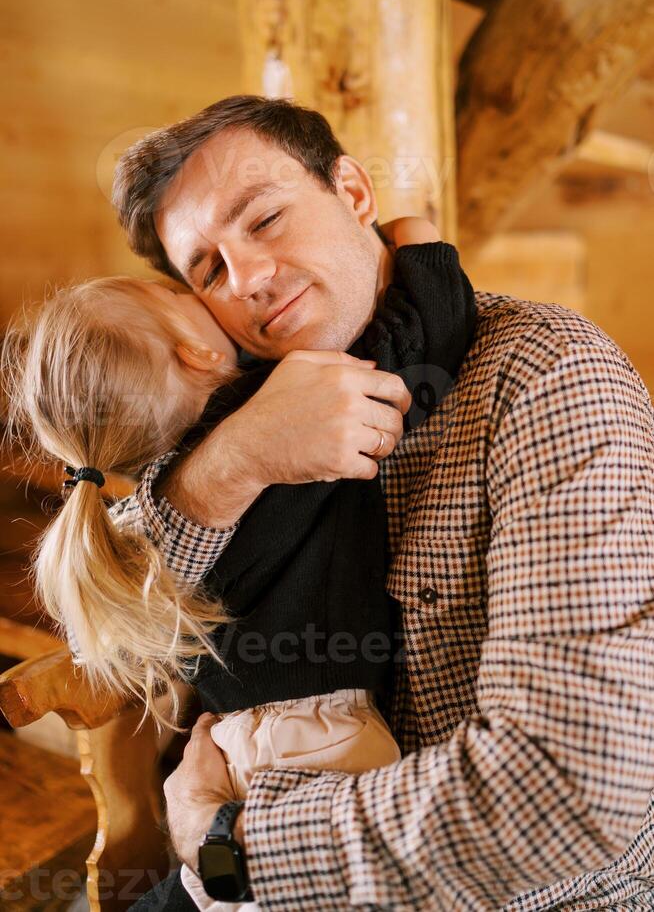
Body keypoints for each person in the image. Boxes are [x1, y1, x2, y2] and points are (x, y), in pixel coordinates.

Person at [107, 94, 654, 911]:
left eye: (264, 219)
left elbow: (566, 790)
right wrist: (235, 461)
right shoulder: (238, 404)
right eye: (210, 269)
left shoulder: (543, 376)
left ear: (355, 193)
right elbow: (117, 599)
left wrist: (234, 844)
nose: (248, 277)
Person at [2, 212, 477, 909]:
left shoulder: (155, 480)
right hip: (322, 748)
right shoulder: (285, 414)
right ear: (196, 356)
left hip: (234, 745)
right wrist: (422, 243)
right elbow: (419, 345)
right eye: (179, 290)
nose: (202, 293)